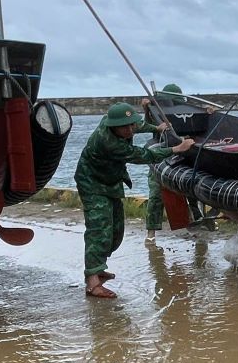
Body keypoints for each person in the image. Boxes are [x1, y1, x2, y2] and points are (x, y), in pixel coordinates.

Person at [75, 101, 194, 298]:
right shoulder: (108, 142)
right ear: (114, 126)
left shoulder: (118, 123)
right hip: (92, 184)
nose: (131, 129)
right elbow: (143, 155)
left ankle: (97, 267)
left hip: (110, 181)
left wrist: (156, 127)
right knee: (98, 229)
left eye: (132, 125)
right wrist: (177, 149)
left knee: (115, 230)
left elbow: (138, 125)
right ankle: (92, 282)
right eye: (126, 126)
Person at [142, 84, 210, 242]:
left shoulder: (186, 114)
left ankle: (197, 224)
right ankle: (151, 234)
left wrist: (208, 113)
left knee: (192, 193)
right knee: (156, 196)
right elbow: (147, 125)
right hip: (161, 159)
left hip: (185, 157)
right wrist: (147, 109)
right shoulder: (156, 113)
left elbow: (201, 128)